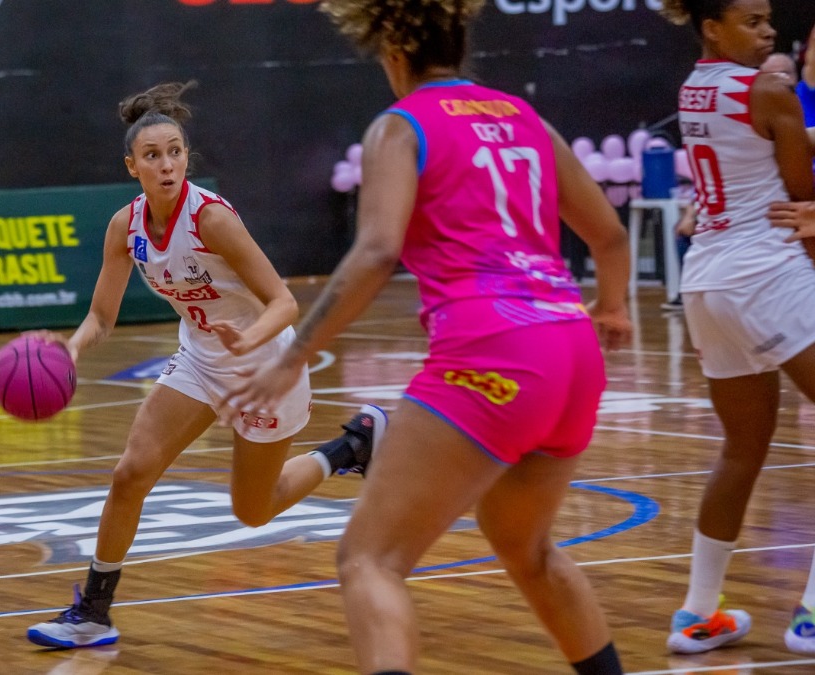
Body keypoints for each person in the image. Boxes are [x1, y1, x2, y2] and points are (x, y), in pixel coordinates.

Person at [220, 1, 633, 673]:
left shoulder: (401, 125)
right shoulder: (524, 118)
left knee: (369, 558)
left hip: (494, 352)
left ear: (391, 51)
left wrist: (292, 358)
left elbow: (377, 250)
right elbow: (609, 236)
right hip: (572, 349)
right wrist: (613, 308)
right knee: (527, 549)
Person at [23, 81, 386, 649]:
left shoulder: (211, 221)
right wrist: (68, 349)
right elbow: (101, 317)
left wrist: (250, 342)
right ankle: (94, 611)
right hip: (198, 358)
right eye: (152, 156)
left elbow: (284, 302)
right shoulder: (126, 227)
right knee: (129, 474)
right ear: (132, 166)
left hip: (265, 364)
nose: (166, 165)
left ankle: (352, 446)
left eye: (175, 152)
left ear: (186, 158)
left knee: (254, 510)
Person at [657, 0, 815, 656]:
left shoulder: (694, 85)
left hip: (706, 280)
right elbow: (801, 199)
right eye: (752, 21)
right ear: (712, 27)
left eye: (769, 18)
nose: (769, 30)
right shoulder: (771, 90)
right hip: (764, 273)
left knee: (741, 449)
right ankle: (809, 617)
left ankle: (698, 612)